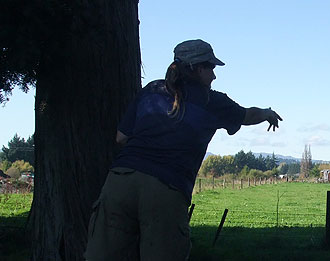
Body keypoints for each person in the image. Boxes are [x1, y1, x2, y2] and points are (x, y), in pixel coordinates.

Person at [84, 39, 282, 260]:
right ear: (198, 69)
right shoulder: (212, 101)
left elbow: (121, 138)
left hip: (119, 181)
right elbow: (247, 116)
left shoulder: (151, 90)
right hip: (165, 188)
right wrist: (267, 112)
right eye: (211, 68)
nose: (214, 76)